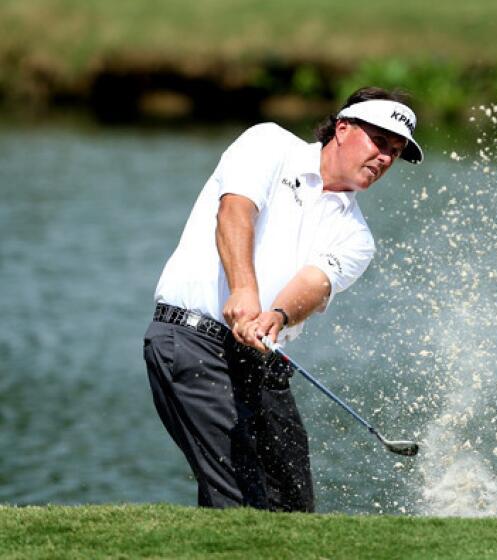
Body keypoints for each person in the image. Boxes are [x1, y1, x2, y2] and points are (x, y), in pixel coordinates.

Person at [142, 86, 423, 512]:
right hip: (191, 341)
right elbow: (235, 211)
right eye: (379, 142)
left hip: (262, 358)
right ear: (342, 129)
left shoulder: (357, 237)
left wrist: (275, 315)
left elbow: (313, 283)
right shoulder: (269, 144)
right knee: (239, 499)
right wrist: (243, 290)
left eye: (395, 151)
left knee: (291, 505)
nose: (385, 158)